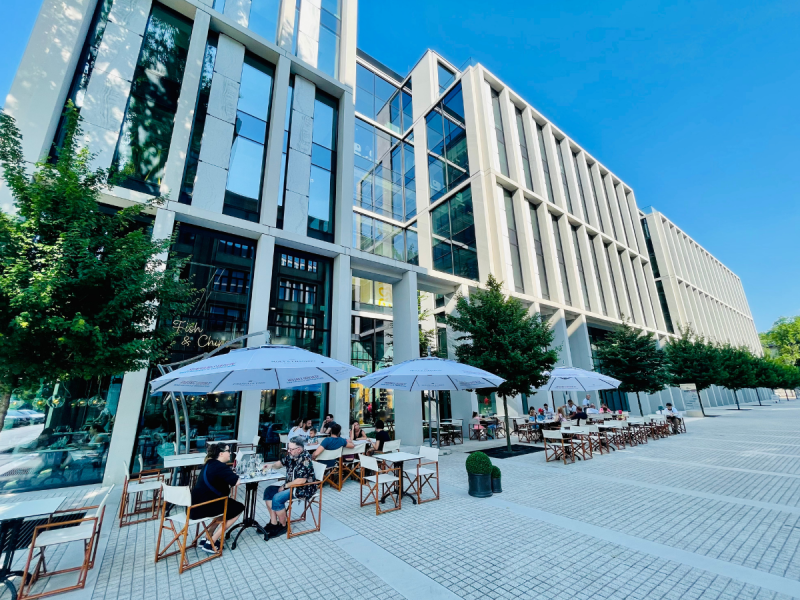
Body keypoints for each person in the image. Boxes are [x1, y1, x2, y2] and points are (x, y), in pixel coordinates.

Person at [192, 444, 244, 553]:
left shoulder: (209, 463)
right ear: (221, 454)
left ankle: (207, 537)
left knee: (225, 508)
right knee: (238, 508)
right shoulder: (220, 466)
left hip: (194, 507)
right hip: (206, 507)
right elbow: (237, 482)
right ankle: (212, 542)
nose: (230, 453)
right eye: (228, 451)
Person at [262, 438, 316, 536]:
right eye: (288, 448)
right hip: (291, 484)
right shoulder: (292, 455)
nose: (288, 451)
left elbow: (301, 480)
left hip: (303, 488)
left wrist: (285, 486)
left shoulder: (305, 460)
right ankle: (273, 523)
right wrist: (271, 465)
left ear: (299, 450)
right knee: (268, 491)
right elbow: (281, 463)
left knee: (277, 498)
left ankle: (283, 526)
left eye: (291, 449)